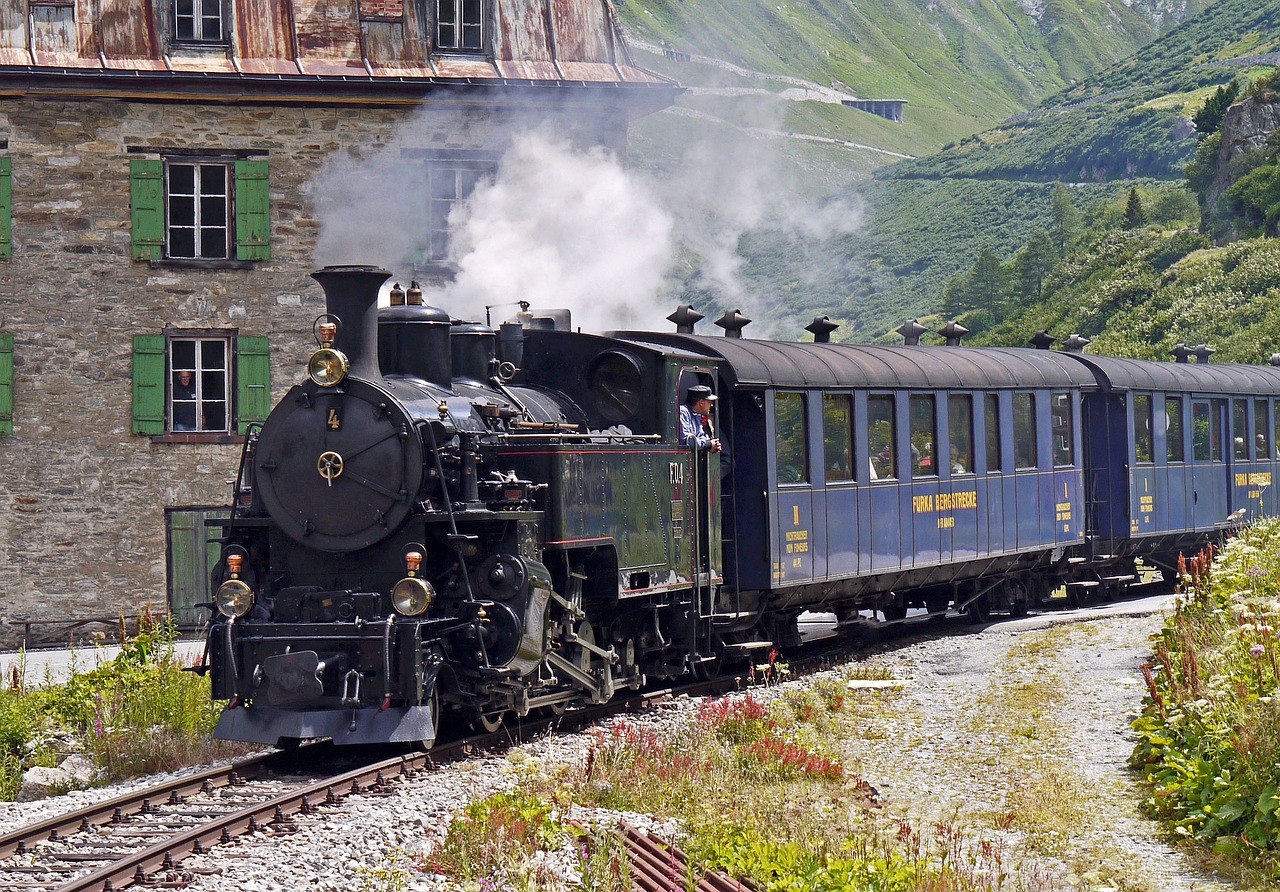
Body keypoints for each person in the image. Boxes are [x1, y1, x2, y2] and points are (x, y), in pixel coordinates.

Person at [680, 384, 722, 453]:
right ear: (701, 403)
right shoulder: (683, 412)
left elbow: (701, 435)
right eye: (709, 402)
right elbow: (686, 440)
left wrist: (709, 443)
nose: (711, 405)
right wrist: (708, 444)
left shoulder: (697, 415)